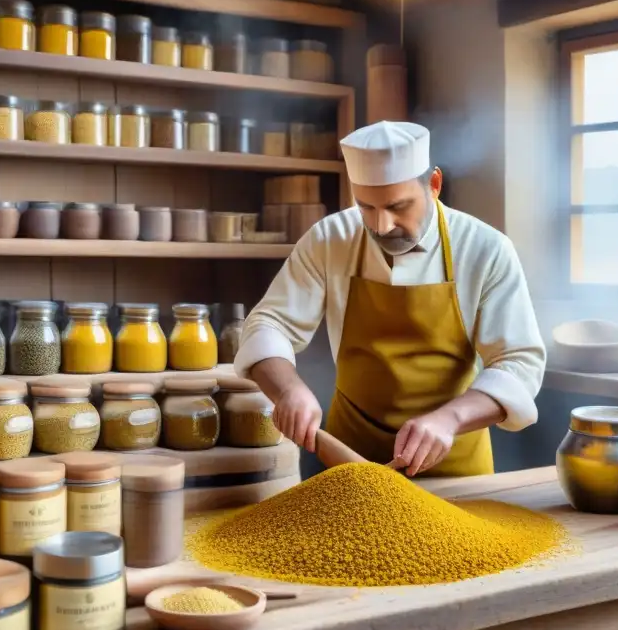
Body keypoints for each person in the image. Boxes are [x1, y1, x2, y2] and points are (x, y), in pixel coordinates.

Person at [233, 121, 546, 477]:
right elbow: (269, 323)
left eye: (398, 206)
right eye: (366, 206)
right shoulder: (329, 239)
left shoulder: (486, 249)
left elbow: (519, 363)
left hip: (454, 465)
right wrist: (288, 389)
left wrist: (450, 418)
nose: (381, 225)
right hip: (349, 462)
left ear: (434, 185)